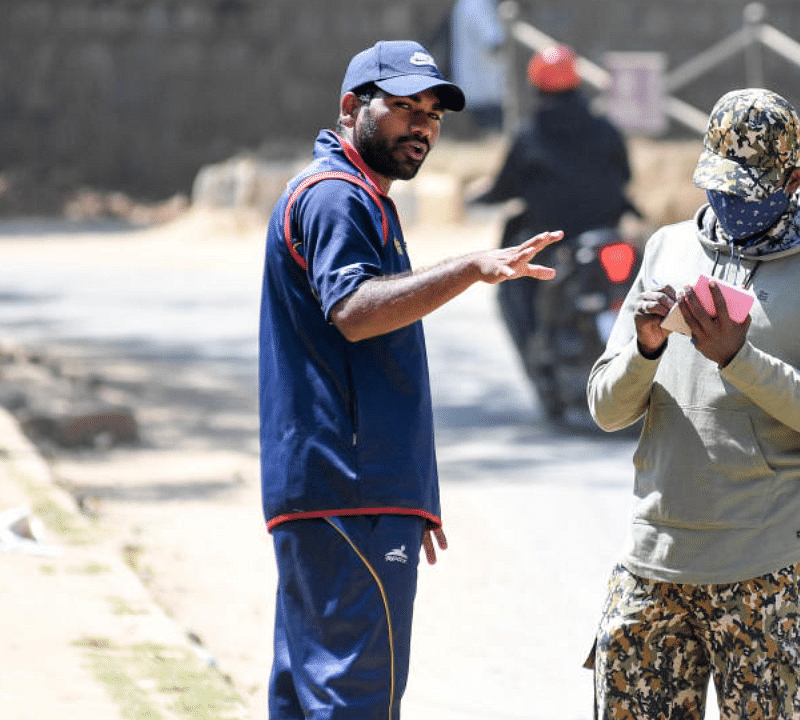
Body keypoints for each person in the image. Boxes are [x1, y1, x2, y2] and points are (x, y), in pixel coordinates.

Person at [257, 39, 561, 719]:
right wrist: (471, 268)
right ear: (350, 108)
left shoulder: (353, 195)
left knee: (312, 694)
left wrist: (407, 490)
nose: (420, 125)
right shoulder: (337, 197)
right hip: (350, 489)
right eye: (401, 107)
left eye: (433, 113)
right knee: (355, 698)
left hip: (350, 492)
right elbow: (357, 314)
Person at [585, 88, 800, 719]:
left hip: (767, 570)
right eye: (716, 186)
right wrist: (643, 348)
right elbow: (607, 410)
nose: (728, 204)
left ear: (793, 179)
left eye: (747, 190)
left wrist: (737, 358)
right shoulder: (668, 248)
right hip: (655, 563)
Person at [472, 44, 638, 408]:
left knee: (512, 291)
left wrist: (478, 197)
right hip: (610, 235)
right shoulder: (605, 127)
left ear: (537, 85)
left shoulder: (530, 134)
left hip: (555, 242)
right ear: (577, 81)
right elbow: (626, 174)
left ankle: (540, 362)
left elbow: (505, 186)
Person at [448, 0, 506, 132]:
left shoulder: (470, 4)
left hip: (482, 87)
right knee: (493, 135)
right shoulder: (476, 4)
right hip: (485, 88)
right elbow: (494, 42)